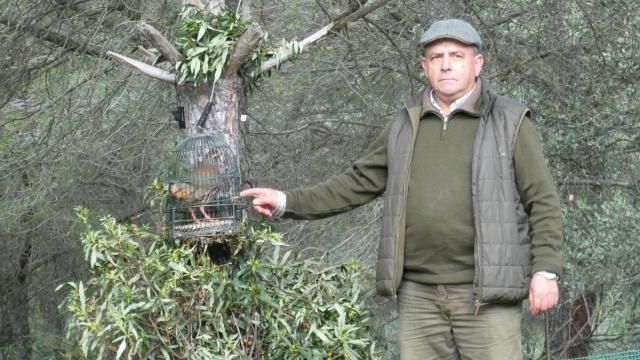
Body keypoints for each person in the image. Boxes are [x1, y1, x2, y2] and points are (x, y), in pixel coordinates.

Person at [241, 18, 562, 360]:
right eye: (436, 57)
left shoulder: (510, 121)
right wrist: (285, 201)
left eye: (457, 55)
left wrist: (546, 271)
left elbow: (542, 201)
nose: (447, 64)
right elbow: (357, 183)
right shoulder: (404, 123)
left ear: (477, 63)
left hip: (486, 297)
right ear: (424, 67)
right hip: (419, 297)